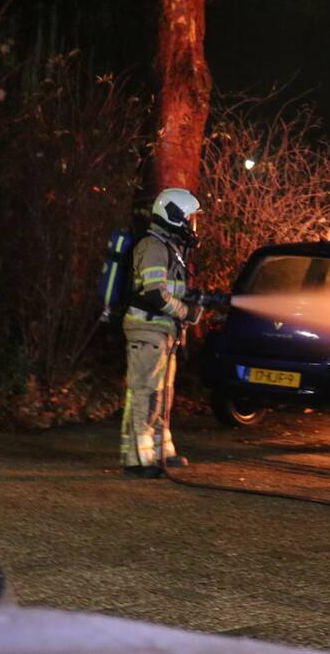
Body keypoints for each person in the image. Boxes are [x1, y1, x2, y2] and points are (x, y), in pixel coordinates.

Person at [120, 188, 204, 478]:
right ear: (173, 215)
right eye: (189, 218)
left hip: (162, 331)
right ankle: (139, 459)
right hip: (147, 328)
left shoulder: (170, 247)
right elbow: (156, 293)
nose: (192, 225)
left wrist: (195, 303)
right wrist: (185, 312)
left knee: (163, 394)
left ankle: (160, 451)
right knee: (145, 391)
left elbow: (171, 291)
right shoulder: (153, 246)